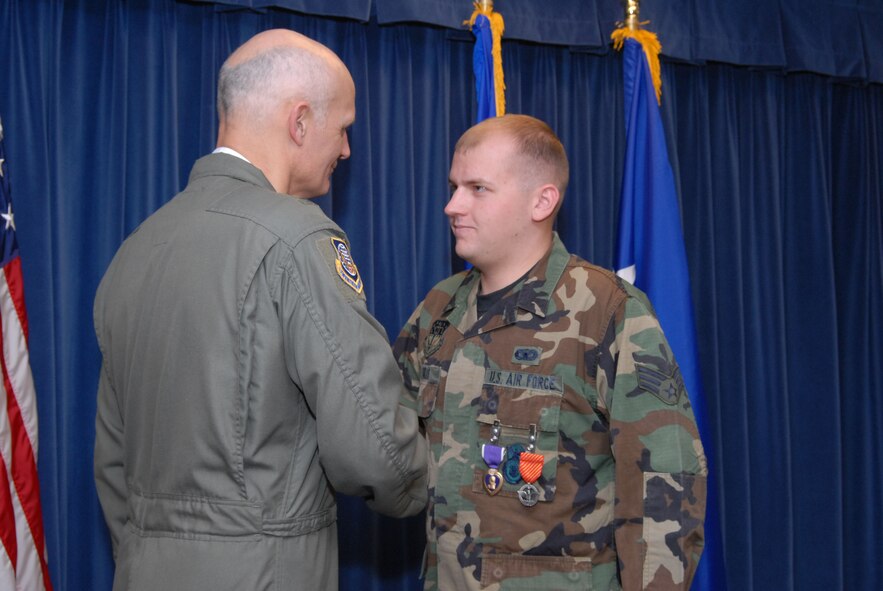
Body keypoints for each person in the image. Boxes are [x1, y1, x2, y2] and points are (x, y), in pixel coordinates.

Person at [93, 29, 427, 591]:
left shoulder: (136, 249)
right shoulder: (297, 237)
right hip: (265, 572)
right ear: (300, 122)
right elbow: (373, 446)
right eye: (343, 127)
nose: (347, 149)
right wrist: (429, 479)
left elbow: (112, 464)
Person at [393, 114, 706, 590]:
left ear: (541, 201)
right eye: (454, 187)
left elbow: (665, 483)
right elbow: (391, 441)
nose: (452, 205)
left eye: (478, 189)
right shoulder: (440, 309)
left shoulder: (605, 311)